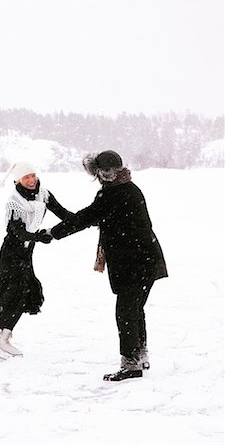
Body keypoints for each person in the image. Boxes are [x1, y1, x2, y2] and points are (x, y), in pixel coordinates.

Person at [47, 150, 168, 381]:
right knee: (133, 309)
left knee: (125, 312)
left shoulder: (114, 194)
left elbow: (87, 217)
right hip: (146, 259)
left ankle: (131, 363)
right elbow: (92, 216)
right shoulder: (130, 189)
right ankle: (140, 355)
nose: (104, 176)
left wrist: (54, 232)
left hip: (133, 262)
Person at [0, 162, 72, 359]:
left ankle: (4, 338)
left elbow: (64, 214)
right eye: (26, 177)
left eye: (33, 175)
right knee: (15, 295)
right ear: (18, 181)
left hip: (27, 252)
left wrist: (87, 221)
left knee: (24, 294)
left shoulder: (44, 195)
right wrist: (37, 237)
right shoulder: (14, 203)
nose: (32, 180)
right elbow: (17, 232)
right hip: (12, 253)